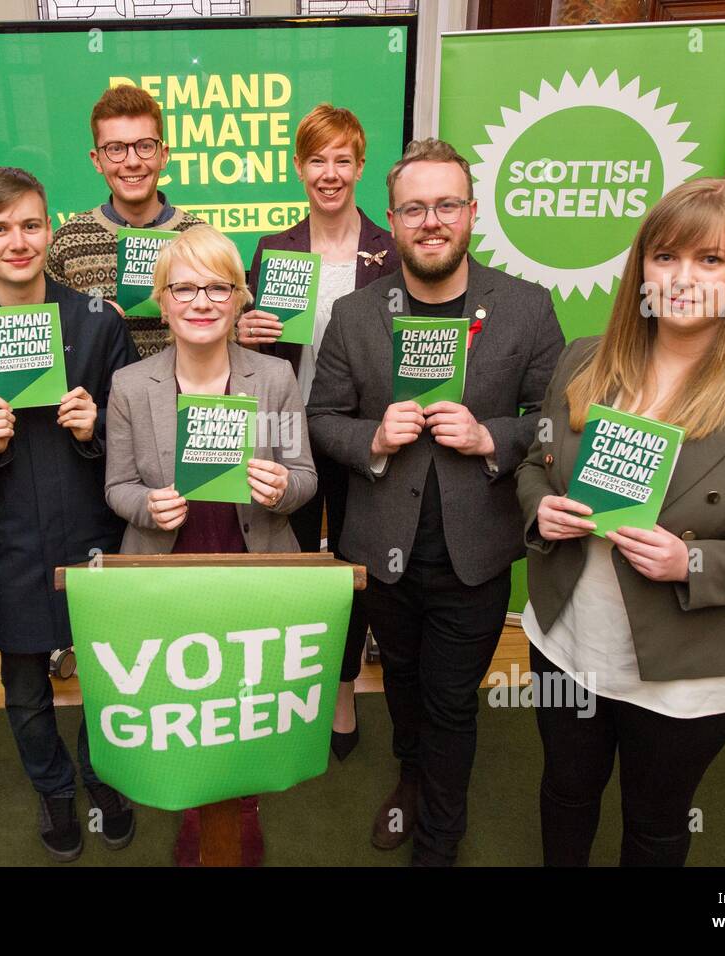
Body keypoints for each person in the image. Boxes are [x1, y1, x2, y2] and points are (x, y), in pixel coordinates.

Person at [516, 177, 725, 867]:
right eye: (665, 257)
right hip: (569, 638)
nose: (682, 279)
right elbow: (533, 463)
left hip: (689, 667)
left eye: (710, 260)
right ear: (642, 267)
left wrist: (691, 563)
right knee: (566, 791)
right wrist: (539, 509)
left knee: (656, 823)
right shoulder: (584, 358)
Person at [307, 138, 565, 866]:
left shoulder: (525, 308)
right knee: (411, 691)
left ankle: (439, 841)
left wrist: (490, 437)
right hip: (381, 549)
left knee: (452, 701)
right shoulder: (357, 316)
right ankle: (410, 779)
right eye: (415, 208)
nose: (431, 220)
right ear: (392, 220)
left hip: (475, 554)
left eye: (446, 204)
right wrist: (373, 439)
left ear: (471, 214)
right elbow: (323, 418)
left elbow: (553, 419)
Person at [0, 167, 140, 863]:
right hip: (8, 534)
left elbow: (138, 436)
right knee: (22, 684)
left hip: (94, 531)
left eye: (31, 225)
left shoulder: (100, 321)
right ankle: (51, 788)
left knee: (109, 670)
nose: (18, 241)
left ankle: (104, 778)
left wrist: (94, 427)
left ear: (50, 227)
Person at [104, 225, 318, 865]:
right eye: (184, 288)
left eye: (217, 287)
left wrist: (280, 487)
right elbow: (116, 485)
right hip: (168, 574)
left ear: (239, 299)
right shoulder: (129, 386)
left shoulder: (275, 378)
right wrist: (148, 504)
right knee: (187, 709)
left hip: (254, 574)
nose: (201, 301)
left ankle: (243, 808)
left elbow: (306, 478)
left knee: (246, 704)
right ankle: (194, 808)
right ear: (162, 301)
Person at [237, 104, 401, 760]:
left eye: (342, 160)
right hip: (285, 432)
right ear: (299, 167)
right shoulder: (274, 249)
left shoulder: (391, 251)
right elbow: (249, 354)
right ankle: (295, 688)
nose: (328, 173)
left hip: (362, 434)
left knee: (354, 563)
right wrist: (239, 330)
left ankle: (340, 687)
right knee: (296, 565)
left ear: (360, 167)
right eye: (316, 159)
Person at [46, 84, 205, 358]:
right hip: (98, 399)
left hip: (183, 397)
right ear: (97, 160)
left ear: (163, 154)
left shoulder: (200, 238)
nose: (132, 162)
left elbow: (228, 334)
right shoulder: (68, 241)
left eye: (144, 146)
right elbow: (52, 345)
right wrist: (90, 322)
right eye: (116, 149)